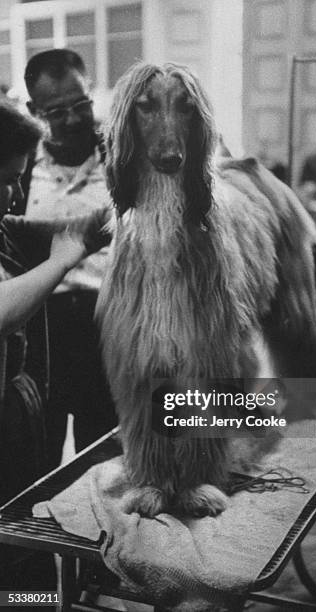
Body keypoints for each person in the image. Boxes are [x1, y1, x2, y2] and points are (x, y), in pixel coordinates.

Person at [0, 102, 110, 598]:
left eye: (19, 179)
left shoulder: (2, 218)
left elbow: (31, 229)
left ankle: (37, 601)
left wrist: (97, 222)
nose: (14, 194)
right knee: (12, 556)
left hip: (15, 422)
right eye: (4, 179)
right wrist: (62, 261)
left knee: (29, 552)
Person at [22, 49, 116, 469]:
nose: (75, 119)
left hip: (112, 329)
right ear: (33, 110)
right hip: (41, 334)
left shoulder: (121, 161)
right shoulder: (20, 172)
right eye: (57, 113)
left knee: (107, 463)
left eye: (81, 104)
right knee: (37, 458)